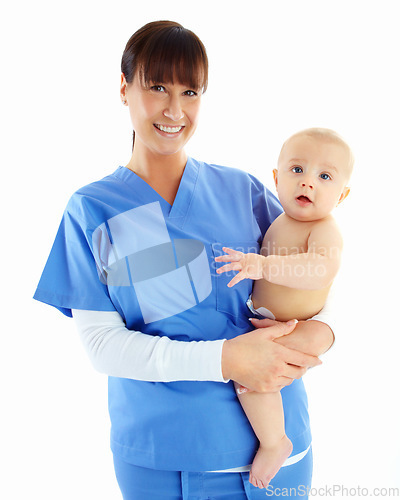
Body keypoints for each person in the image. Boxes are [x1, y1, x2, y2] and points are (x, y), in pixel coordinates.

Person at [34, 21, 336, 499]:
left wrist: (326, 334)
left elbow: (316, 281)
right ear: (123, 88)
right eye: (157, 87)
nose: (175, 110)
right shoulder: (93, 210)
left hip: (279, 455)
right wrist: (226, 358)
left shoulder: (245, 192)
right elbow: (102, 346)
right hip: (163, 459)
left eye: (190, 91)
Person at [215, 127, 353, 489]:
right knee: (251, 372)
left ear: (343, 194)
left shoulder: (324, 229)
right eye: (297, 170)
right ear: (276, 178)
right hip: (268, 323)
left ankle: (275, 442)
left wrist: (262, 267)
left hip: (293, 329)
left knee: (251, 376)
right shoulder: (280, 217)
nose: (308, 183)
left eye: (324, 177)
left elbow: (320, 269)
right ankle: (274, 439)